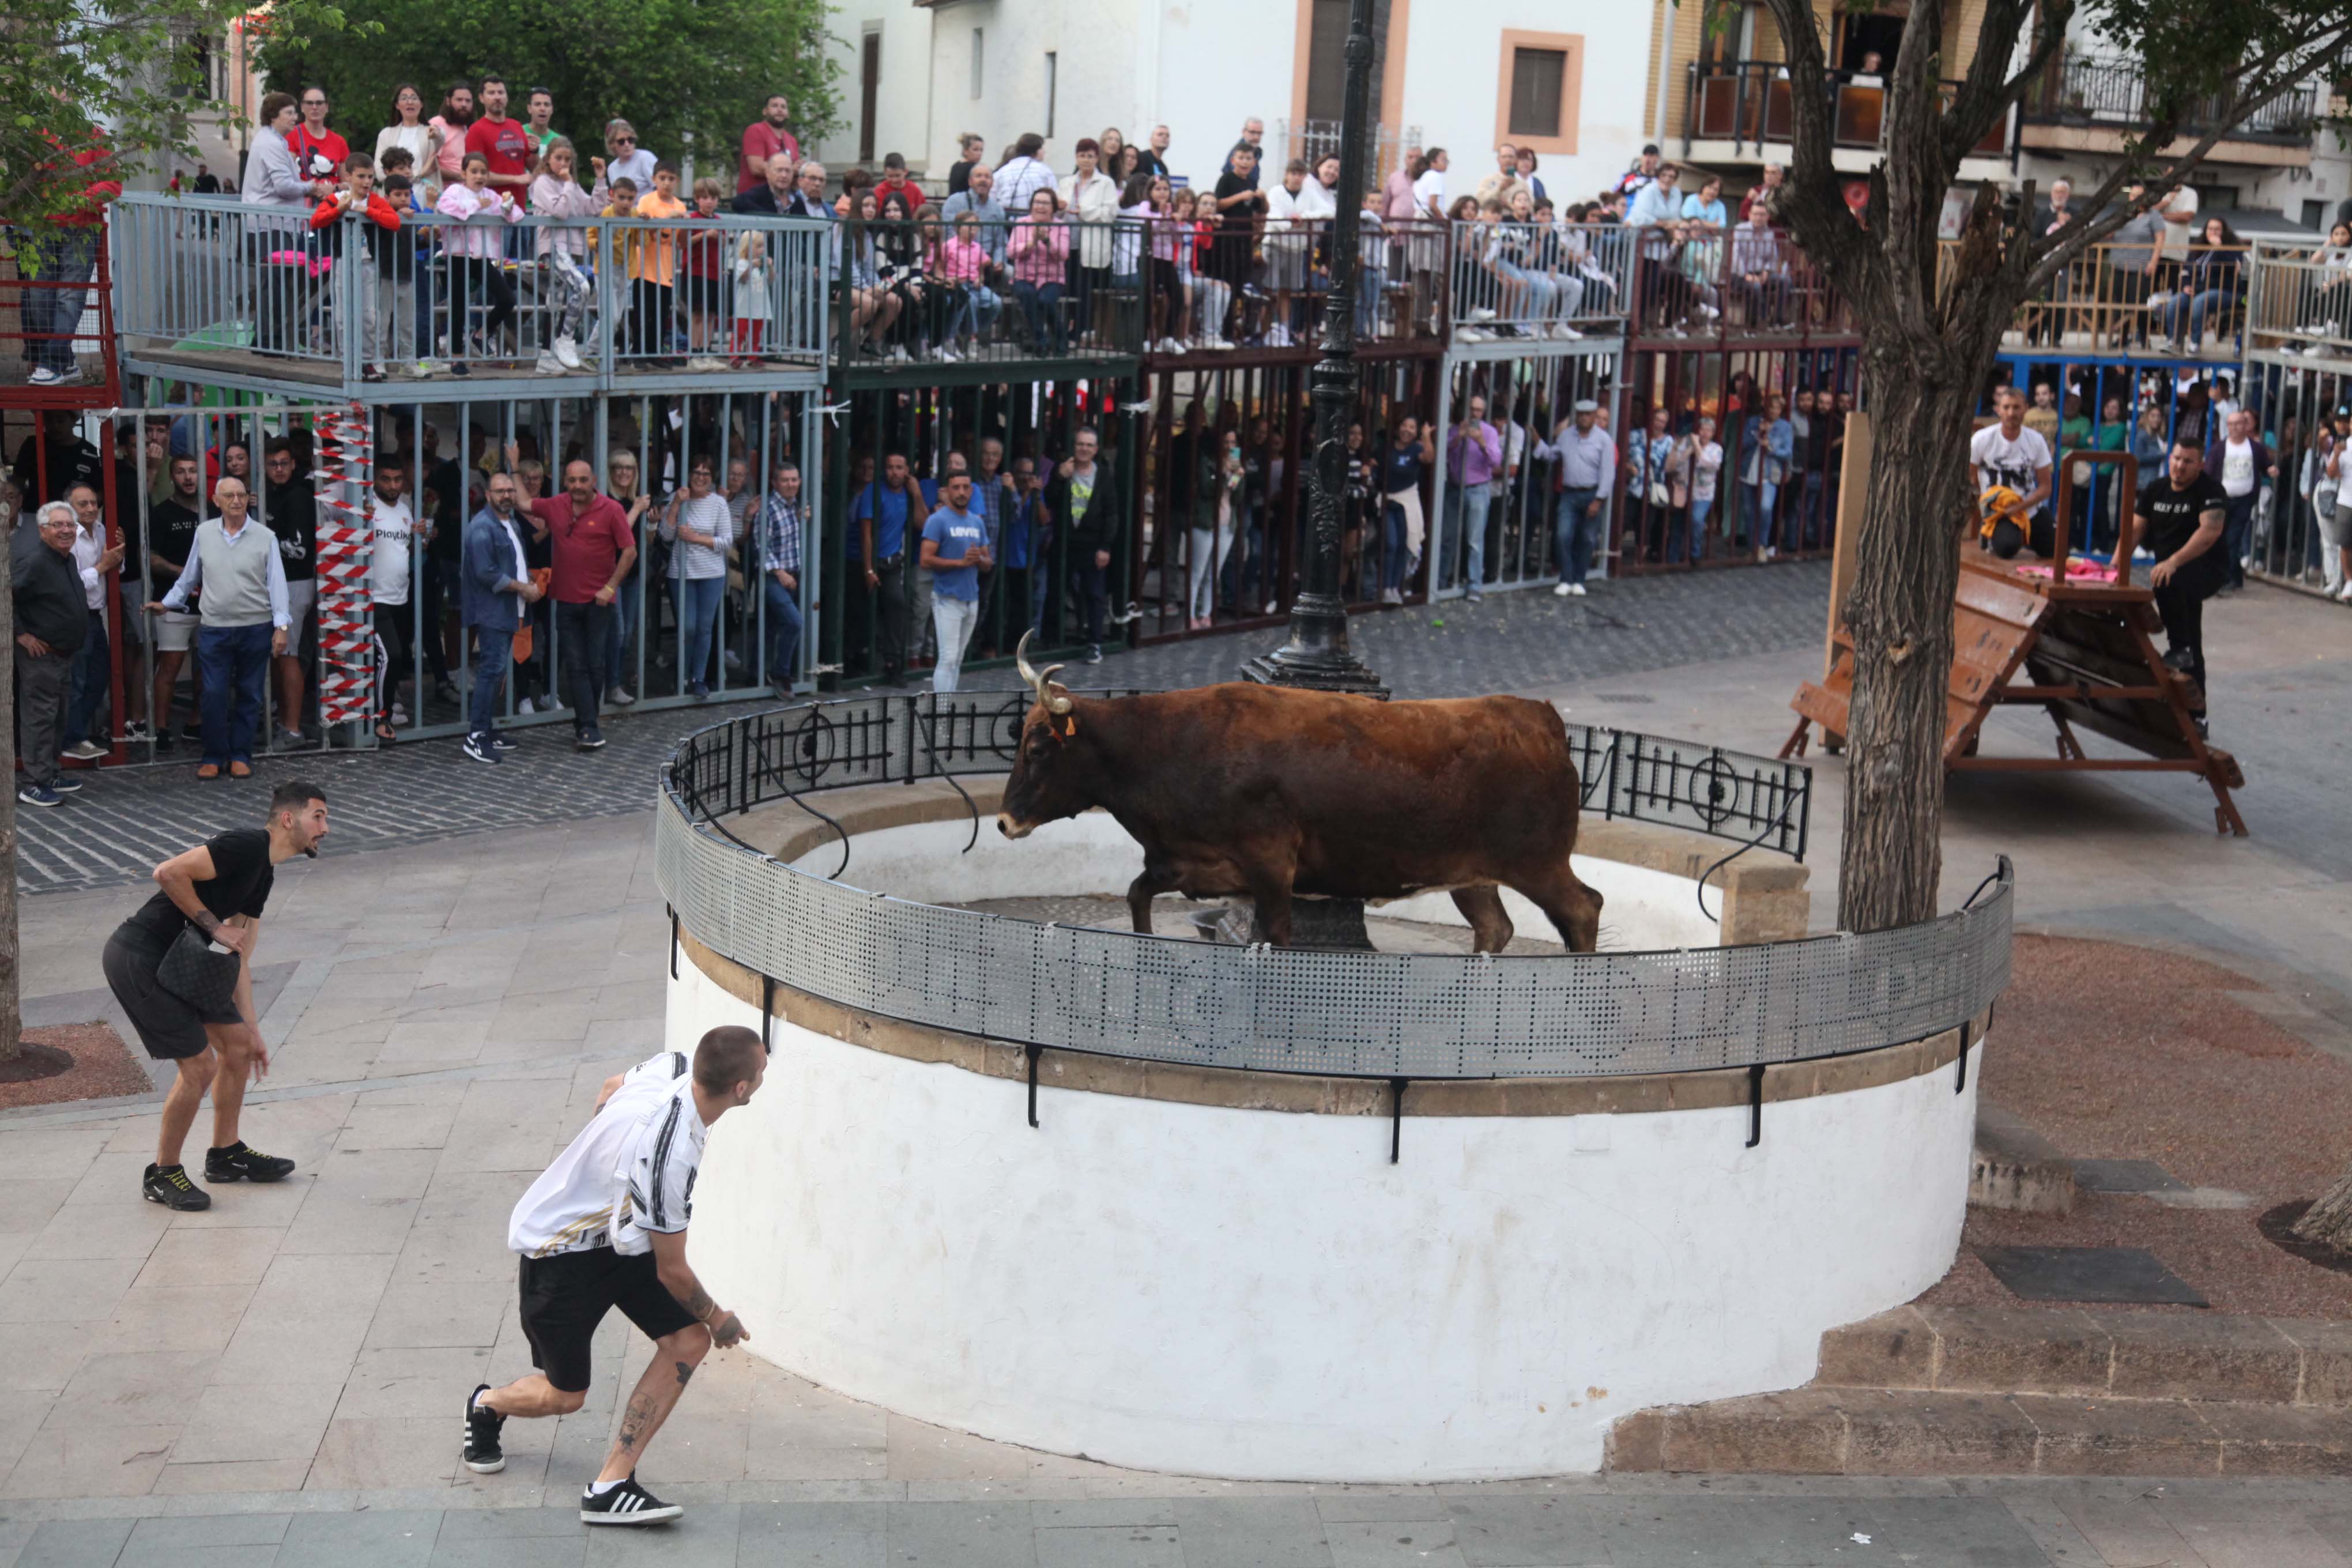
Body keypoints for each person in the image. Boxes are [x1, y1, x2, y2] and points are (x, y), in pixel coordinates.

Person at [463, 1026, 765, 1527]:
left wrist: (608, 1182)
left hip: (623, 1242)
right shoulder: (668, 1163)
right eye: (761, 1068)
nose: (765, 1069)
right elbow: (673, 1271)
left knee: (687, 1342)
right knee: (566, 1396)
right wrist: (719, 1319)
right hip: (561, 1256)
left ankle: (610, 1485)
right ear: (741, 1088)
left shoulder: (673, 1065)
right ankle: (488, 1404)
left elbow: (609, 1087)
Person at [101, 782, 324, 1210]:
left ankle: (226, 1155)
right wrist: (214, 926)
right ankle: (162, 1174)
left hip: (183, 960)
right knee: (199, 1066)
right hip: (139, 956)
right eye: (319, 816)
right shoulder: (245, 845)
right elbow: (168, 872)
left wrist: (252, 1029)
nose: (325, 828)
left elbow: (239, 955)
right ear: (288, 819)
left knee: (238, 1046)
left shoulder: (264, 872)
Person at [152, 476, 290, 781]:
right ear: (216, 501)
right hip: (215, 627)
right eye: (229, 495)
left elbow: (277, 583)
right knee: (213, 693)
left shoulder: (265, 536)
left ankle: (240, 755)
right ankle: (214, 755)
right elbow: (190, 576)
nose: (236, 501)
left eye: (241, 495)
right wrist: (168, 603)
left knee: (250, 693)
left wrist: (281, 626)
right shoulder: (204, 533)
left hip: (255, 626)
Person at [530, 459, 636, 748]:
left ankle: (586, 721)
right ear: (565, 481)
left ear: (594, 481)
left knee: (595, 664)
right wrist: (515, 469)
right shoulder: (557, 505)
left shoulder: (612, 509)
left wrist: (610, 587)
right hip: (566, 601)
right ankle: (588, 727)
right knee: (576, 665)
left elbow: (629, 552)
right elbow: (524, 503)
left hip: (599, 602)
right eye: (572, 480)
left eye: (583, 480)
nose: (577, 486)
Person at [2135, 435, 2229, 733]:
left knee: (2171, 580)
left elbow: (2210, 531)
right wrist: (2110, 569)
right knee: (2188, 636)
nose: (2180, 466)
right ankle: (2194, 710)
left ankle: (2181, 651)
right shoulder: (2156, 489)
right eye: (2176, 458)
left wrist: (2173, 561)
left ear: (2200, 465)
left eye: (2188, 461)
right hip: (2172, 576)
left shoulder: (2211, 491)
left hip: (2206, 567)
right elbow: (2134, 531)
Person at [459, 469, 537, 764]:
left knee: (497, 671)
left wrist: (528, 579)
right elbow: (486, 572)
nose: (507, 495)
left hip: (510, 608)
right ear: (489, 495)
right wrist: (523, 588)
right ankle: (477, 736)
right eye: (500, 491)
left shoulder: (511, 522)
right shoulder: (482, 527)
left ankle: (487, 730)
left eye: (510, 490)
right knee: (491, 671)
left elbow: (515, 561)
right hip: (492, 610)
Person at [14, 504, 88, 808]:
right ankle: (35, 783)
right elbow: (5, 596)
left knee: (57, 717)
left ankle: (50, 773)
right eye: (58, 525)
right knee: (40, 718)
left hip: (63, 654)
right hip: (41, 656)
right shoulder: (34, 562)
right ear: (43, 530)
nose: (66, 530)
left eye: (70, 525)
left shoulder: (67, 559)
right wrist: (21, 634)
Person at [54, 482, 120, 766]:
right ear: (70, 508)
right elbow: (68, 584)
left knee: (99, 677)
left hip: (94, 616)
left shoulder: (103, 530)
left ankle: (75, 733)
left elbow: (114, 570)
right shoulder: (67, 536)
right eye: (83, 504)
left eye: (94, 502)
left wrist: (117, 556)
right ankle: (71, 740)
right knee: (77, 681)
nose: (91, 508)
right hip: (73, 616)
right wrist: (103, 566)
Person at [144, 455, 206, 749]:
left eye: (193, 471)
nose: (188, 477)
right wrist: (186, 575)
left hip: (210, 605)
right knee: (169, 667)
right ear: (171, 477)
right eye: (181, 472)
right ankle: (161, 728)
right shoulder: (161, 514)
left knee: (206, 668)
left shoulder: (213, 512)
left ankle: (197, 723)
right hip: (172, 602)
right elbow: (152, 559)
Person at [660, 457, 733, 698]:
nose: (701, 477)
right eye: (697, 472)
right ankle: (681, 675)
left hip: (712, 574)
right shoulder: (677, 497)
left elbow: (727, 541)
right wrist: (676, 504)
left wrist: (695, 538)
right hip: (682, 573)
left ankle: (698, 678)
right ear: (689, 475)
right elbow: (666, 535)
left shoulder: (719, 503)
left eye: (706, 473)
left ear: (712, 478)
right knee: (688, 627)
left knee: (704, 628)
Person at [1049, 427, 1120, 662]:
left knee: (1094, 594)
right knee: (1057, 590)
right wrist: (1060, 478)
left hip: (1093, 543)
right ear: (1074, 446)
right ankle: (1053, 639)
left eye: (1089, 445)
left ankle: (1094, 643)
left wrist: (1106, 547)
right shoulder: (1063, 470)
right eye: (1080, 444)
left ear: (1096, 449)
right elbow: (1049, 499)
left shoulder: (1104, 475)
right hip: (1065, 542)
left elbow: (1111, 513)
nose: (1084, 449)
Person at [529, 137, 598, 372]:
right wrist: (568, 184)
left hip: (571, 247)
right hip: (553, 246)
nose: (563, 163)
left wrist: (600, 181)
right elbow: (559, 212)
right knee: (583, 287)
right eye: (558, 158)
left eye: (567, 159)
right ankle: (566, 339)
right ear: (548, 159)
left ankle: (546, 356)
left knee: (555, 300)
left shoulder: (573, 186)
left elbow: (593, 209)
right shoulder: (542, 182)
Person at [919, 471, 992, 691]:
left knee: (958, 659)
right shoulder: (937, 520)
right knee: (948, 658)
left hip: (971, 599)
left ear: (972, 491)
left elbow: (988, 562)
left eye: (966, 487)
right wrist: (960, 563)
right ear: (947, 491)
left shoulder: (976, 522)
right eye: (956, 487)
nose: (961, 492)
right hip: (947, 598)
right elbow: (925, 560)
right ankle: (941, 709)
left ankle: (948, 705)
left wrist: (978, 559)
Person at [1970, 385, 2056, 557]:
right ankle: (1988, 533)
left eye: (2017, 407)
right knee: (2007, 548)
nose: (2011, 413)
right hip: (1998, 511)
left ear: (2026, 409)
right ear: (1998, 410)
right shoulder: (1982, 438)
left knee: (2056, 551)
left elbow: (2046, 487)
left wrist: (2019, 507)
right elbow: (1970, 478)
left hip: (2028, 507)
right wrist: (1987, 507)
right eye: (2006, 407)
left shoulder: (2036, 440)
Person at [1543, 399, 1614, 595]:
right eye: (1581, 414)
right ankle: (1566, 578)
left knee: (1587, 539)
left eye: (1588, 414)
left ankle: (1579, 579)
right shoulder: (1566, 436)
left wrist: (1599, 500)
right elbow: (1552, 455)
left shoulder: (1604, 440)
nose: (1584, 418)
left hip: (1592, 493)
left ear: (1593, 416)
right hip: (1569, 493)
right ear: (1576, 416)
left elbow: (1608, 473)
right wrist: (1537, 443)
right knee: (1562, 535)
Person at [2204, 408, 2275, 593]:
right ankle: (2236, 577)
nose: (2234, 428)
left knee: (2232, 539)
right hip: (2223, 500)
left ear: (2245, 426)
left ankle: (2227, 579)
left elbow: (2266, 465)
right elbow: (2209, 473)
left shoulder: (2255, 448)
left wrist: (2271, 470)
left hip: (2245, 500)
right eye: (2230, 424)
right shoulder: (2219, 449)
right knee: (2222, 539)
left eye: (2237, 424)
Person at [1444, 395, 1502, 601]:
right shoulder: (1454, 429)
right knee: (1447, 537)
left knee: (1474, 540)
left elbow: (1496, 461)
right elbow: (1444, 453)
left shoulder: (1490, 432)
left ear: (1483, 412)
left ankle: (1474, 585)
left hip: (1478, 489)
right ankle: (1440, 582)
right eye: (1471, 409)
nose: (1474, 414)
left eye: (1478, 410)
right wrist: (1459, 437)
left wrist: (1481, 442)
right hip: (1454, 488)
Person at [756, 461, 805, 695]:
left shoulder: (796, 507)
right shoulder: (767, 509)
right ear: (774, 483)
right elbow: (761, 546)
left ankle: (755, 673)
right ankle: (781, 673)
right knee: (794, 622)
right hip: (773, 578)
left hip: (793, 577)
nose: (790, 484)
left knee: (772, 626)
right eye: (785, 480)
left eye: (794, 479)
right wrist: (780, 572)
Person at [465, 76, 534, 205]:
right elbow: (474, 176)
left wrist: (535, 151)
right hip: (491, 207)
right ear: (482, 98)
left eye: (501, 93)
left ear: (507, 97)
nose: (497, 97)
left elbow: (533, 168)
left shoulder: (517, 126)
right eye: (491, 93)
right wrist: (515, 179)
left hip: (519, 206)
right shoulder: (476, 130)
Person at [288, 85, 348, 189]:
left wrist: (334, 189)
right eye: (309, 103)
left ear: (327, 107)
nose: (314, 107)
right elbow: (287, 178)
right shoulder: (291, 135)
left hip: (332, 197)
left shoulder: (339, 141)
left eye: (319, 103)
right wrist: (315, 188)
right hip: (302, 196)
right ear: (302, 107)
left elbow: (349, 183)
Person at [738, 93, 799, 195]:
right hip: (754, 198)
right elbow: (756, 168)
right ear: (765, 111)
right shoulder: (755, 130)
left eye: (783, 107)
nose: (780, 110)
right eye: (775, 106)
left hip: (782, 198)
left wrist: (803, 170)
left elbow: (796, 173)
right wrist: (792, 169)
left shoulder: (792, 140)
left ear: (788, 114)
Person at [430, 82, 475, 190]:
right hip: (443, 193)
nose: (464, 105)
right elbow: (429, 167)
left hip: (468, 192)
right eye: (459, 100)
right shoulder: (437, 125)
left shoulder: (467, 128)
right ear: (448, 101)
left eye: (468, 101)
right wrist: (461, 177)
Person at [604, 119, 657, 193]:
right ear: (612, 144)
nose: (627, 145)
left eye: (630, 140)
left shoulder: (645, 158)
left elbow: (661, 189)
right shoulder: (612, 169)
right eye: (621, 142)